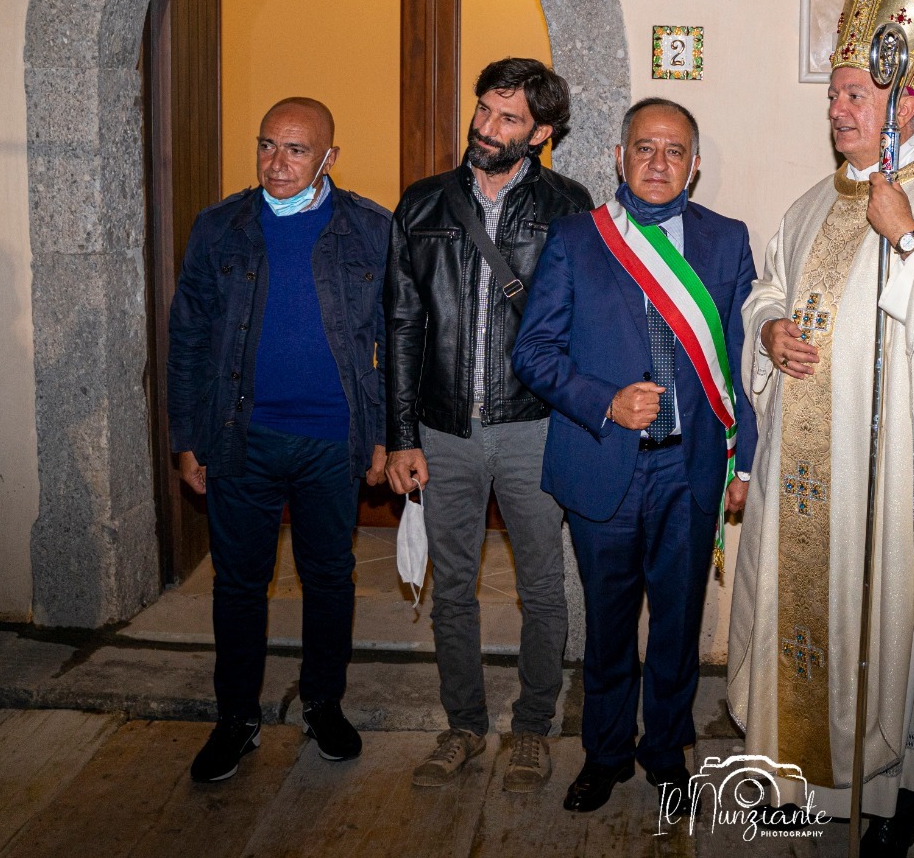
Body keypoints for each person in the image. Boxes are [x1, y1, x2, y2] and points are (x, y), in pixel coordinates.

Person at [726, 0, 914, 854]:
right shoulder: (812, 203)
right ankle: (798, 780)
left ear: (906, 102)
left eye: (855, 93)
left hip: (882, 482)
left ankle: (891, 800)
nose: (837, 108)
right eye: (833, 94)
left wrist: (912, 243)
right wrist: (769, 331)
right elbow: (768, 289)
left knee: (884, 624)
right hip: (804, 479)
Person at [513, 97, 758, 816]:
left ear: (695, 164)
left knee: (678, 625)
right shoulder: (577, 238)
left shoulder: (727, 240)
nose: (658, 162)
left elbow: (743, 362)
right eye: (644, 148)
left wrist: (743, 462)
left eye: (674, 151)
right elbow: (534, 351)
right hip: (605, 462)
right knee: (610, 623)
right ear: (618, 158)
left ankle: (667, 753)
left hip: (691, 467)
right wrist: (605, 401)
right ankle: (606, 753)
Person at [384, 58, 591, 792]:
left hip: (534, 426)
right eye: (483, 110)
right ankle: (464, 725)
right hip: (443, 430)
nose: (486, 127)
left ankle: (532, 727)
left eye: (508, 119)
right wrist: (401, 435)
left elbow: (580, 325)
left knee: (542, 588)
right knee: (453, 589)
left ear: (540, 134)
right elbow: (402, 325)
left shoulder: (569, 207)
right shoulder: (422, 204)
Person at [168, 97, 390, 782]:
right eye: (267, 144)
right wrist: (187, 437)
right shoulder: (219, 227)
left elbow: (396, 342)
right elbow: (188, 338)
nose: (277, 162)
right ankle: (236, 718)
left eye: (297, 149)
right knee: (238, 582)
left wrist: (385, 436)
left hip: (332, 439)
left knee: (328, 576)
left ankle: (323, 704)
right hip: (241, 436)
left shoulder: (371, 229)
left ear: (329, 157)